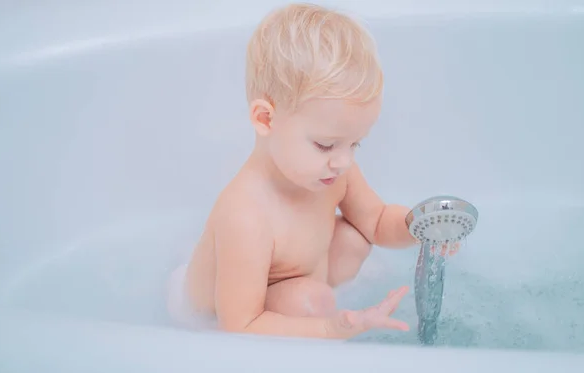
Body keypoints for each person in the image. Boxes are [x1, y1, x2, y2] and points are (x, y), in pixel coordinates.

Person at [166, 2, 457, 339]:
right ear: (266, 119)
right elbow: (239, 327)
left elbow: (376, 222)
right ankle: (195, 265)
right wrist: (333, 327)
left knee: (353, 238)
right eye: (325, 145)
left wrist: (420, 227)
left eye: (355, 144)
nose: (344, 161)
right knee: (310, 301)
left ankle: (310, 302)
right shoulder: (246, 214)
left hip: (292, 280)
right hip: (216, 316)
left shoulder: (332, 170)